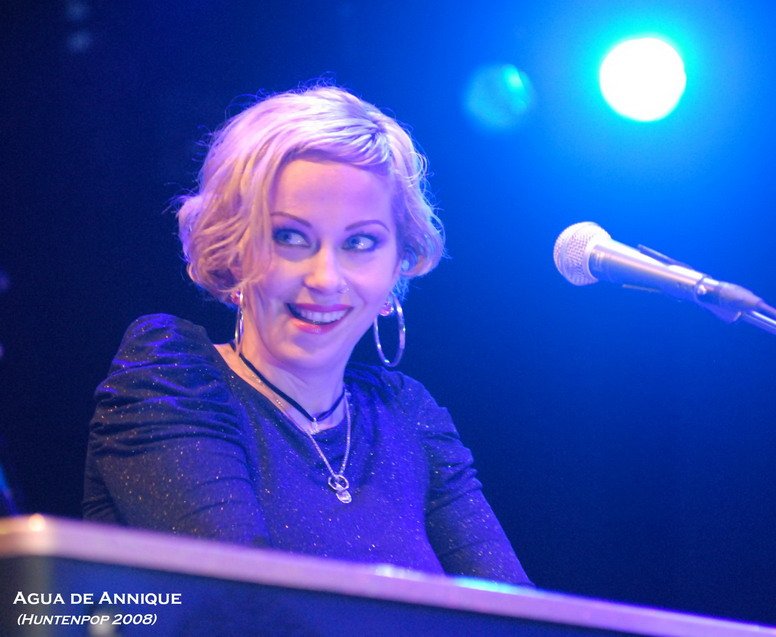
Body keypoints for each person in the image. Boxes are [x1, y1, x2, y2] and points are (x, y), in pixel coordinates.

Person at [83, 85, 531, 586]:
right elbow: (249, 607)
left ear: (397, 266)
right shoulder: (172, 384)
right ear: (232, 249)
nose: (325, 279)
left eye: (360, 242)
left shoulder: (408, 416)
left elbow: (512, 613)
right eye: (291, 237)